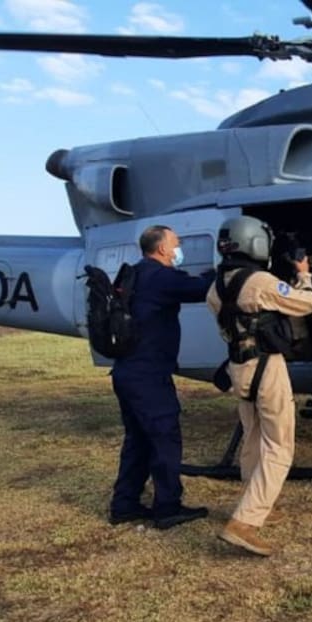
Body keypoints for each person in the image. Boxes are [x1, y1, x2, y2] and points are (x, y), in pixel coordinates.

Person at [206, 215, 312, 556]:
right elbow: (306, 304)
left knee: (252, 435)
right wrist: (304, 274)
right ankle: (246, 522)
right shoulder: (260, 282)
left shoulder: (216, 286)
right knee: (280, 445)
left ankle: (255, 502)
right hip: (266, 367)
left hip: (239, 367)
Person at [108, 225, 215, 529]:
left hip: (126, 372)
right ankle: (168, 507)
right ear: (163, 249)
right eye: (176, 244)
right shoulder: (160, 276)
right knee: (165, 438)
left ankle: (124, 505)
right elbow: (198, 289)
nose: (179, 249)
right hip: (148, 375)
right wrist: (220, 271)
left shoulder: (135, 274)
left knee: (138, 440)